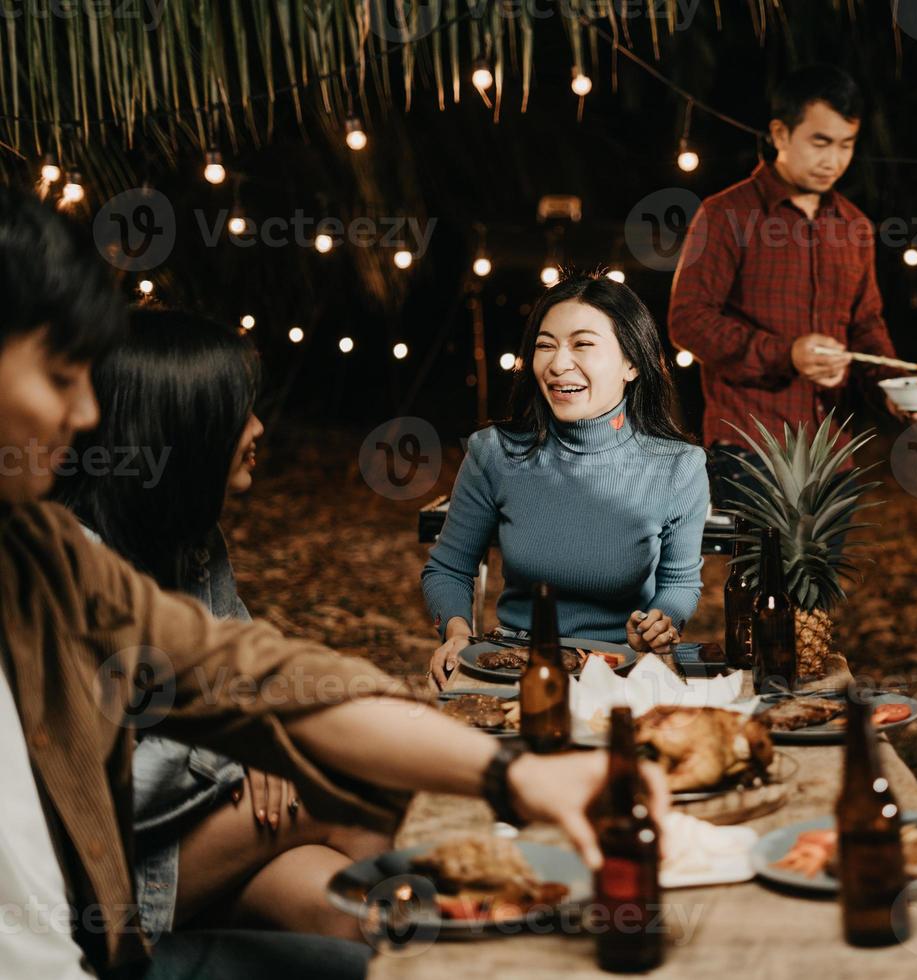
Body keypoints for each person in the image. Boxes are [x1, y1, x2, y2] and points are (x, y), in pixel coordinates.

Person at [0, 187, 670, 980]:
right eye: (60, 374)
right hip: (120, 919)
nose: (85, 416)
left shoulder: (42, 555)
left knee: (373, 928)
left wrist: (516, 774)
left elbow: (259, 678)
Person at [53, 309, 395, 944]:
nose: (260, 428)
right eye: (240, 413)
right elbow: (98, 787)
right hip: (94, 878)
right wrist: (241, 747)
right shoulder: (73, 572)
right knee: (357, 798)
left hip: (188, 840)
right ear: (182, 427)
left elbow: (244, 669)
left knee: (353, 914)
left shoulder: (194, 543)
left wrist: (259, 730)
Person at [424, 273, 708, 689]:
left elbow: (680, 583)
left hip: (623, 667)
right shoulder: (493, 453)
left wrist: (660, 623)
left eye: (582, 344)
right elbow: (447, 567)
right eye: (545, 345)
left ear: (631, 363)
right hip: (513, 662)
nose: (557, 364)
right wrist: (456, 634)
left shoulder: (679, 466)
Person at [668, 63, 917, 508]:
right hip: (748, 448)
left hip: (833, 453)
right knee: (763, 580)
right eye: (820, 142)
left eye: (846, 145)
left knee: (823, 579)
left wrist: (895, 385)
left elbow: (865, 325)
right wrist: (786, 353)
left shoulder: (854, 227)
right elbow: (688, 320)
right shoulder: (726, 214)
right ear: (781, 135)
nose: (834, 161)